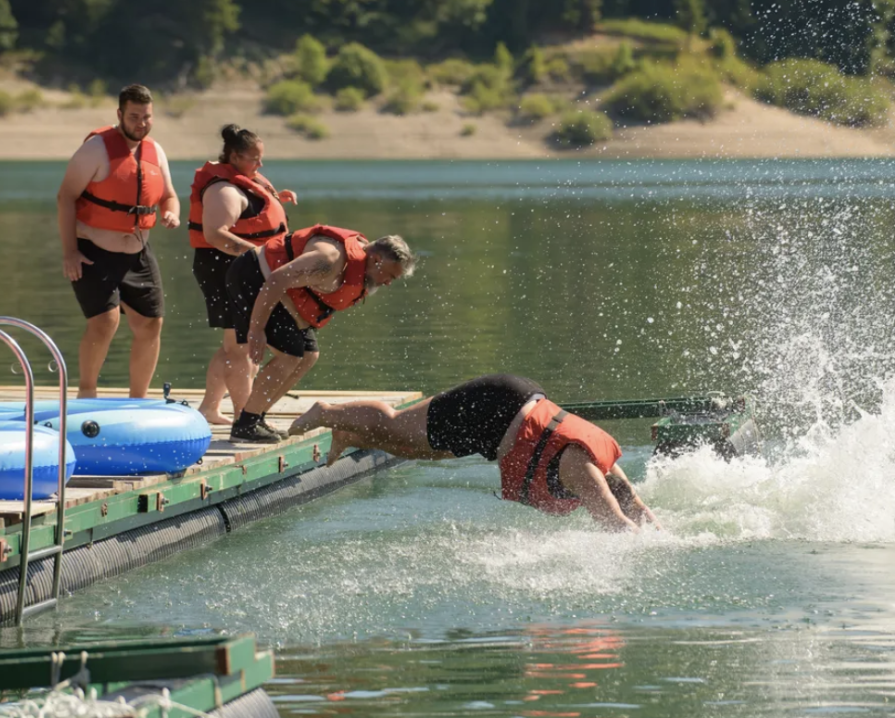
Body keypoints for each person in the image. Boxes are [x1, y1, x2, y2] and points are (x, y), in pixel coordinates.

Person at [287, 374, 660, 532]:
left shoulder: (605, 470)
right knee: (400, 426)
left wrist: (666, 537)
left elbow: (636, 509)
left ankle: (349, 434)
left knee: (419, 451)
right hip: (499, 404)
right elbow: (616, 525)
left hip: (500, 430)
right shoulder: (582, 470)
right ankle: (326, 412)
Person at [225, 225, 416, 443]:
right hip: (253, 277)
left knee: (308, 354)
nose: (388, 283)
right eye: (390, 275)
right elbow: (276, 280)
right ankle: (245, 426)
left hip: (279, 290)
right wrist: (256, 329)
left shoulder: (358, 266)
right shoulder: (328, 260)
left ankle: (256, 417)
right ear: (375, 259)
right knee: (290, 354)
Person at [56, 84, 181, 398]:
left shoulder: (156, 151)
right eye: (134, 116)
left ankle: (138, 399)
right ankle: (87, 393)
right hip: (93, 250)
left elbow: (169, 196)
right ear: (120, 115)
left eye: (147, 117)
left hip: (138, 252)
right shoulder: (96, 149)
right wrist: (70, 252)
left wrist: (171, 213)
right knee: (105, 321)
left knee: (151, 325)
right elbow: (66, 197)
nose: (141, 123)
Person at [189, 123, 298, 425]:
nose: (260, 165)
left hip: (245, 270)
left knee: (233, 345)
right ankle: (245, 416)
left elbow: (254, 212)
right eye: (254, 159)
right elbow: (215, 234)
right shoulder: (223, 190)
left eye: (261, 158)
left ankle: (210, 408)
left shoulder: (247, 180)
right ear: (234, 157)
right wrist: (258, 255)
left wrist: (278, 199)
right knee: (240, 348)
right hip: (224, 270)